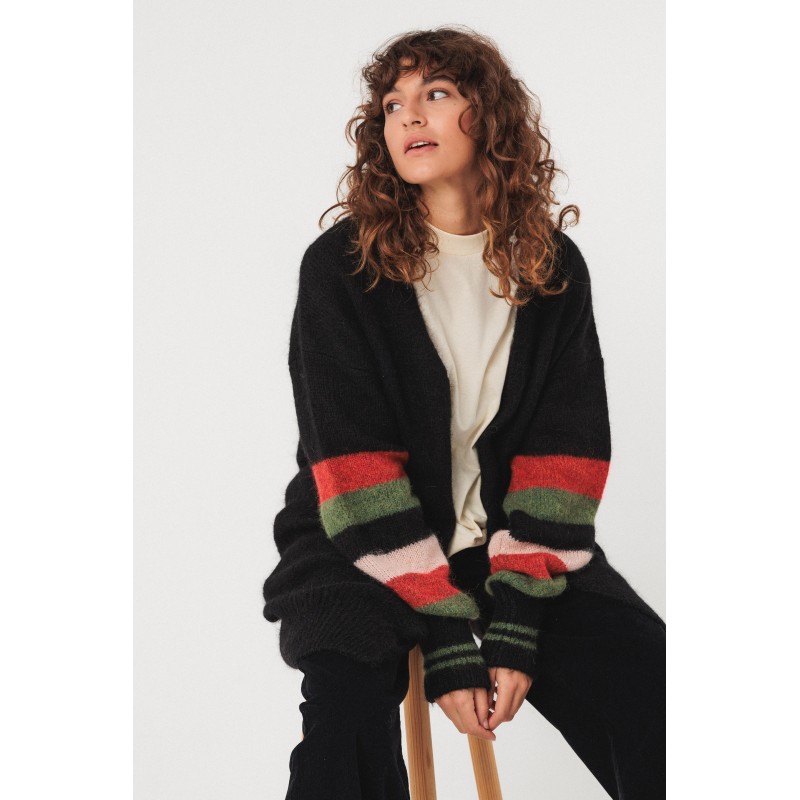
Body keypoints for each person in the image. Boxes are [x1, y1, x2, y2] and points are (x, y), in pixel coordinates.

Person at [261, 25, 665, 800]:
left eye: (436, 93)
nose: (409, 116)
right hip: (358, 538)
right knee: (343, 727)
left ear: (491, 115)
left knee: (657, 696)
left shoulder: (550, 269)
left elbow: (563, 458)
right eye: (392, 104)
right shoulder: (343, 268)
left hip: (510, 544)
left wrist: (514, 623)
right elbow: (355, 472)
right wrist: (448, 636)